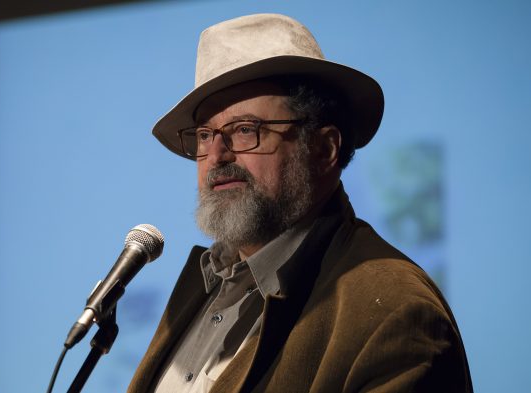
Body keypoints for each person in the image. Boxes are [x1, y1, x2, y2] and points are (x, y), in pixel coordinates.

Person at [126, 14, 472, 393]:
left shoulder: (396, 311)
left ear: (324, 149)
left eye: (245, 130)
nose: (217, 155)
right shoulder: (200, 291)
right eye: (205, 135)